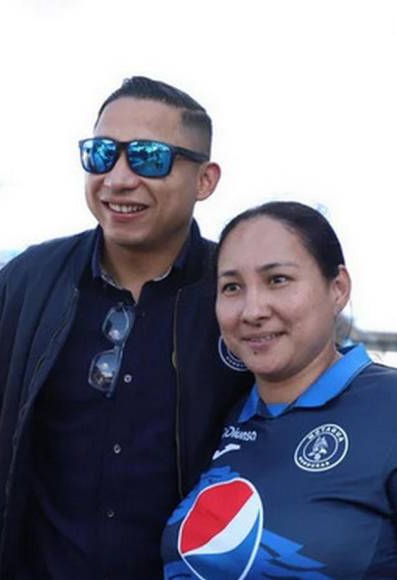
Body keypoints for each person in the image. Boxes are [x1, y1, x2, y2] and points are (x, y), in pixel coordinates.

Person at [0, 76, 254, 579]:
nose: (118, 178)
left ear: (205, 180)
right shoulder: (26, 283)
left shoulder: (240, 297)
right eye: (102, 154)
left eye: (149, 157)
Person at [161, 202, 397, 578]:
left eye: (278, 280)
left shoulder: (387, 408)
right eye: (232, 287)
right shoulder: (219, 413)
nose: (253, 310)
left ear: (338, 288)